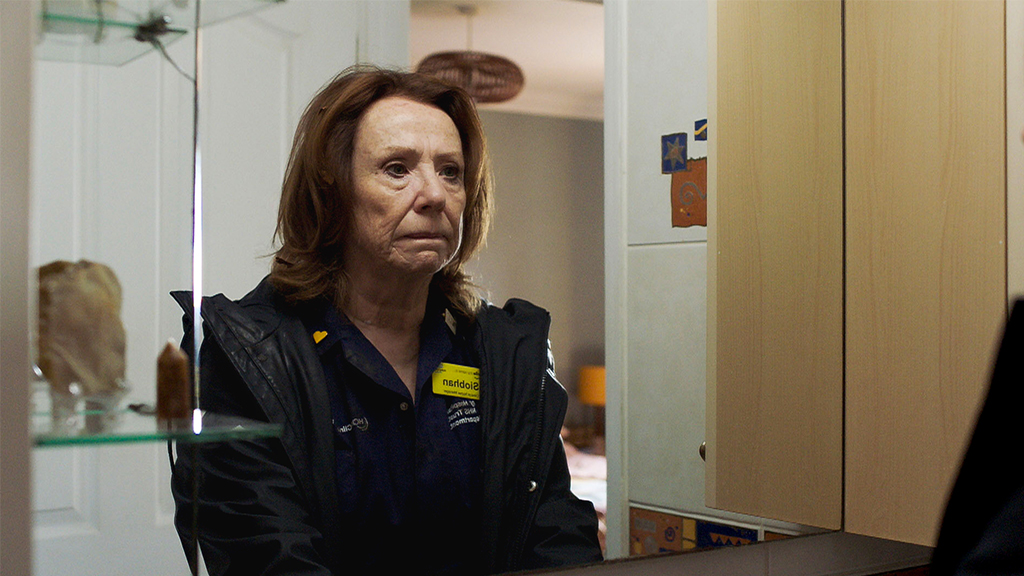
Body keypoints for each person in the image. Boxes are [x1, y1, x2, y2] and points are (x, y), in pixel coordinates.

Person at [169, 65, 603, 576]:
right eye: (397, 169)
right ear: (332, 193)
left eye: (451, 172)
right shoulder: (250, 358)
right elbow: (267, 554)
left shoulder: (504, 354)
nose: (435, 195)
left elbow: (556, 538)